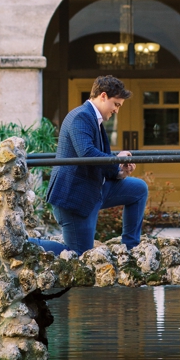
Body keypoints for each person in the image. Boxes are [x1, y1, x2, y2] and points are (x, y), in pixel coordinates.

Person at [31, 75, 146, 256]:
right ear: (103, 96)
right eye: (116, 104)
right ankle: (26, 243)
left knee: (138, 189)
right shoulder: (81, 116)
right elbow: (87, 154)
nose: (117, 110)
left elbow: (97, 160)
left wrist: (120, 171)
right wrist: (117, 159)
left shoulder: (94, 119)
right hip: (74, 197)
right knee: (79, 253)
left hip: (94, 190)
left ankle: (131, 250)